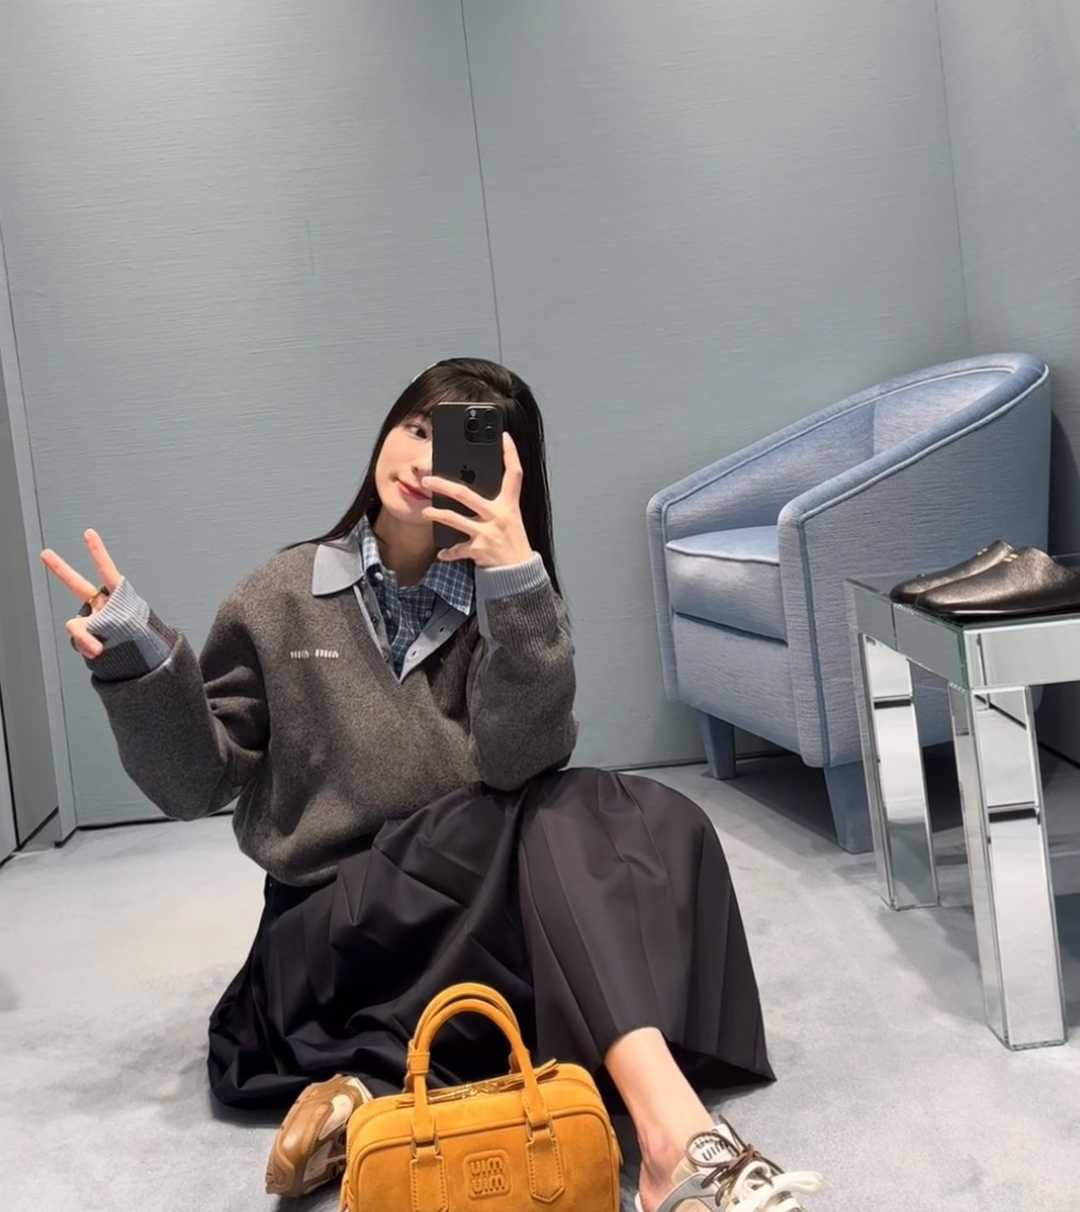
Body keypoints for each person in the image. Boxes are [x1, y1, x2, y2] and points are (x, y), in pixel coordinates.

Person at [41, 358, 823, 1212]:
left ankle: (371, 1092)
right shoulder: (282, 595)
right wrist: (141, 662)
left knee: (660, 823)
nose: (423, 459)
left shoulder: (507, 601)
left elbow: (520, 762)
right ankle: (675, 1139)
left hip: (455, 925)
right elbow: (197, 783)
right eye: (415, 427)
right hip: (328, 930)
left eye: (457, 446)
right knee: (587, 813)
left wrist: (516, 582)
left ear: (501, 479)